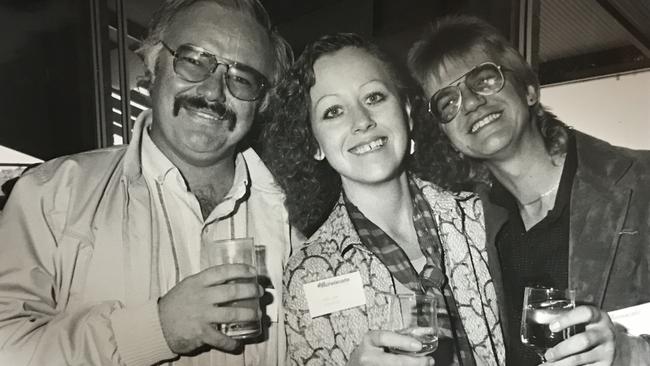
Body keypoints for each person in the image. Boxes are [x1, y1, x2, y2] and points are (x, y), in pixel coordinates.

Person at [0, 0, 298, 365]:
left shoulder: (296, 216)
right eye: (194, 60)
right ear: (154, 63)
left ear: (263, 102)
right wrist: (159, 329)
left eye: (242, 77)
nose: (213, 92)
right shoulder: (50, 197)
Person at [407, 15, 650, 366]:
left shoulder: (641, 183)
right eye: (448, 102)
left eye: (484, 79)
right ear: (451, 140)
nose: (471, 102)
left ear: (529, 89)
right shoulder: (468, 232)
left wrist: (634, 353)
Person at [262, 32, 506, 366]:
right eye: (333, 111)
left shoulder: (484, 220)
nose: (362, 121)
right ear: (314, 143)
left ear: (406, 112)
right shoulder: (308, 274)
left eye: (374, 97)